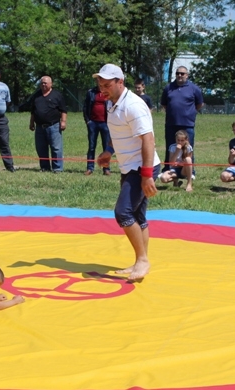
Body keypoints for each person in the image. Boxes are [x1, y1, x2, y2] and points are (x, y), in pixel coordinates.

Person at [94, 64, 161, 281]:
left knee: (123, 213)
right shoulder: (113, 105)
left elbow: (148, 139)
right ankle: (140, 261)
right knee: (138, 215)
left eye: (107, 85)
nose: (102, 89)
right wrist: (108, 152)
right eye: (100, 85)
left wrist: (147, 174)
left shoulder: (133, 105)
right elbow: (119, 132)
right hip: (130, 166)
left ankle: (142, 260)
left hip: (141, 167)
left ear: (120, 82)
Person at [159, 66, 203, 172]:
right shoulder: (168, 88)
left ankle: (190, 171)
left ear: (187, 75)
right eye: (178, 73)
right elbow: (164, 104)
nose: (180, 75)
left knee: (188, 148)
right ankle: (168, 168)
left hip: (187, 124)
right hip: (171, 124)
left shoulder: (194, 88)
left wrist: (190, 113)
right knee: (170, 147)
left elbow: (200, 104)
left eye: (182, 74)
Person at [29, 76, 67, 172]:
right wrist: (31, 123)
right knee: (41, 149)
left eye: (45, 83)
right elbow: (33, 111)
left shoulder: (57, 95)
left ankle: (57, 168)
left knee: (56, 148)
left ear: (51, 84)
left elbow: (63, 110)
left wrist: (63, 122)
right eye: (42, 83)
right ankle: (45, 167)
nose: (43, 84)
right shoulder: (36, 96)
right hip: (39, 127)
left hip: (53, 126)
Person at [82, 79, 111, 175]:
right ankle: (90, 168)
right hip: (93, 123)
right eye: (99, 81)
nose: (100, 83)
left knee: (106, 147)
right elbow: (85, 107)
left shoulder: (108, 92)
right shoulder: (91, 92)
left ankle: (106, 169)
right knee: (91, 146)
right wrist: (88, 121)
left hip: (105, 123)